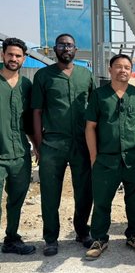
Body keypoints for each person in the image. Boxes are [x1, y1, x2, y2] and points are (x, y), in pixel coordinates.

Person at [32, 33, 95, 256]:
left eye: (69, 45)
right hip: (53, 144)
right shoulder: (43, 76)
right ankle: (51, 238)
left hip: (82, 143)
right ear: (54, 49)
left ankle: (82, 231)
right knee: (50, 193)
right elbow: (37, 112)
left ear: (75, 49)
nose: (66, 48)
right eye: (61, 45)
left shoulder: (86, 75)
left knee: (85, 191)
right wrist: (39, 144)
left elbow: (94, 109)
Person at [84, 54, 135, 260]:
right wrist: (94, 156)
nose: (123, 70)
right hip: (106, 160)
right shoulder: (99, 95)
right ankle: (99, 239)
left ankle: (134, 236)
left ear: (131, 71)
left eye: (127, 67)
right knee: (102, 201)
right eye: (118, 66)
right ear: (110, 69)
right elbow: (90, 127)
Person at [0, 38, 37, 255]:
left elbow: (29, 122)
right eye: (10, 54)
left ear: (24, 58)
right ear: (2, 55)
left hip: (20, 154)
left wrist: (36, 146)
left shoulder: (26, 86)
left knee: (16, 201)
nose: (14, 59)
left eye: (18, 56)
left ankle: (11, 239)